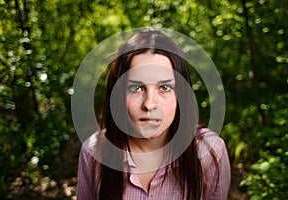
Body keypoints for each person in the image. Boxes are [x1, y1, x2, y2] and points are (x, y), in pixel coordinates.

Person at [76, 28, 231, 200]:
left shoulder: (210, 151)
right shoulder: (93, 152)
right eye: (136, 88)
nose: (149, 104)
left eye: (164, 87)